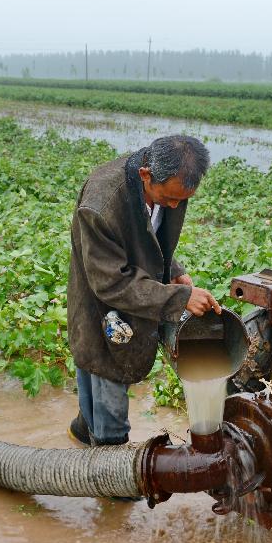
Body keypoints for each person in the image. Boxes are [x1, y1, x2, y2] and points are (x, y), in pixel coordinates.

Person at [67, 135, 221, 446]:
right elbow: (111, 283)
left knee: (93, 381)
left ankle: (83, 433)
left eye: (183, 200)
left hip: (133, 293)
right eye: (170, 199)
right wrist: (180, 299)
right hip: (103, 299)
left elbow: (150, 235)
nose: (176, 205)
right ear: (146, 175)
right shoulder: (101, 205)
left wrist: (174, 272)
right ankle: (111, 480)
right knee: (104, 367)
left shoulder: (168, 187)